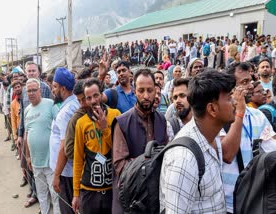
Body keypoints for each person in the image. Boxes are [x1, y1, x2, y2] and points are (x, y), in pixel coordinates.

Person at [160, 70, 236, 213]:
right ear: (212, 109)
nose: (235, 102)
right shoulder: (183, 159)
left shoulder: (213, 137)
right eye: (229, 98)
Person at [222, 62, 276, 213]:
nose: (251, 86)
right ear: (230, 88)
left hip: (253, 199)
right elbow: (227, 155)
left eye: (251, 80)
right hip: (226, 203)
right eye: (244, 82)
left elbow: (272, 145)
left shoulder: (258, 116)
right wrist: (239, 113)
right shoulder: (219, 117)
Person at [112, 69, 168, 214]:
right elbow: (120, 165)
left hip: (156, 195)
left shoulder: (162, 120)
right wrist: (147, 168)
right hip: (132, 198)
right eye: (141, 90)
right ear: (135, 91)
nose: (146, 96)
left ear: (156, 91)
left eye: (150, 90)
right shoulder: (122, 122)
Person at [72, 78, 121, 214]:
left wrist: (105, 128)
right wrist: (76, 193)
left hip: (112, 188)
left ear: (101, 95)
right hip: (89, 190)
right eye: (88, 98)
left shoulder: (115, 115)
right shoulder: (81, 123)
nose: (93, 101)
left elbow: (119, 150)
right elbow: (78, 160)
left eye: (95, 95)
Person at [17, 61, 51, 208]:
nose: (31, 73)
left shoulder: (47, 92)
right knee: (31, 171)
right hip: (31, 146)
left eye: (33, 71)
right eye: (28, 71)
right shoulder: (24, 92)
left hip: (48, 149)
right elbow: (24, 117)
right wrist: (19, 134)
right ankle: (36, 197)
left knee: (52, 184)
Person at [24, 78, 59, 214]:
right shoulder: (27, 110)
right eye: (29, 91)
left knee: (55, 195)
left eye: (34, 90)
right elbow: (27, 135)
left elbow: (59, 129)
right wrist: (28, 157)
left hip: (51, 162)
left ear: (40, 91)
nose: (31, 93)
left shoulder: (50, 104)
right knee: (41, 195)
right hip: (36, 162)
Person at [49, 67, 79, 214]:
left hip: (66, 173)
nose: (53, 90)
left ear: (64, 88)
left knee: (68, 210)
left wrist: (56, 176)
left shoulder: (66, 112)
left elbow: (64, 148)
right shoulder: (74, 104)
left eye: (55, 86)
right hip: (69, 170)